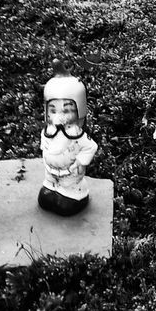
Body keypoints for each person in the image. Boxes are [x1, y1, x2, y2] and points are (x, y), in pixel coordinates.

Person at [38, 63, 98, 217]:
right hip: (50, 170)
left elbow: (90, 147)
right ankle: (52, 187)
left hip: (70, 173)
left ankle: (71, 194)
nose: (59, 115)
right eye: (53, 110)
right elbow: (45, 141)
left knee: (65, 202)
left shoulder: (76, 135)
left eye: (66, 110)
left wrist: (80, 162)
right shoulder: (48, 130)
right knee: (45, 197)